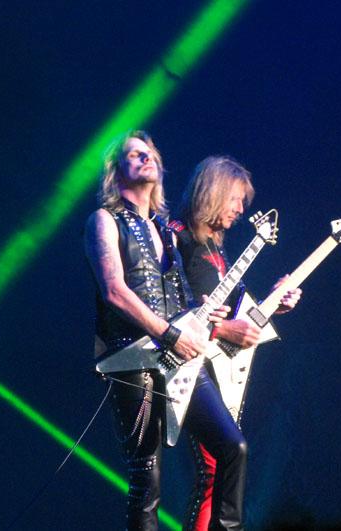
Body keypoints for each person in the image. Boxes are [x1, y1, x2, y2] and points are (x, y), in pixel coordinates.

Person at [84, 132, 248, 530]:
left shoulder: (165, 231)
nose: (146, 159)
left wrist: (205, 315)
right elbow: (114, 291)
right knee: (147, 475)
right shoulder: (104, 220)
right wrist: (170, 334)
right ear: (116, 171)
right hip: (131, 357)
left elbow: (180, 298)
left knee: (234, 447)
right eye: (134, 155)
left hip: (179, 359)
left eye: (150, 154)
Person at [169, 156, 302, 531]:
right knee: (217, 463)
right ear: (213, 192)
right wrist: (223, 330)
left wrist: (276, 301)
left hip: (215, 370)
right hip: (183, 369)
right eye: (236, 199)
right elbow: (167, 309)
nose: (241, 210)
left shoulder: (216, 250)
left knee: (219, 467)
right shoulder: (176, 239)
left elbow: (233, 310)